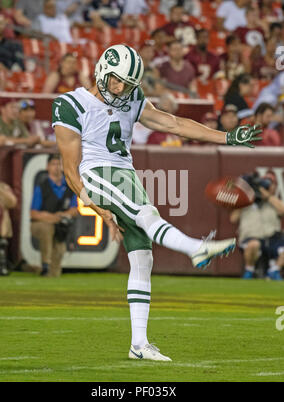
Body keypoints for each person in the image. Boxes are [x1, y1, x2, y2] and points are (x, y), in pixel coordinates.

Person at [52, 44, 261, 361]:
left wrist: (227, 137)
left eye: (127, 84)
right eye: (117, 81)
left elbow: (172, 123)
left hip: (126, 172)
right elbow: (69, 168)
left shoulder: (132, 98)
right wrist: (95, 205)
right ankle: (195, 248)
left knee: (142, 255)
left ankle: (139, 345)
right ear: (102, 71)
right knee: (146, 212)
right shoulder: (71, 103)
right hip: (95, 172)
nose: (121, 89)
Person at [30, 154, 78, 277]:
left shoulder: (69, 186)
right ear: (47, 166)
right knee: (47, 228)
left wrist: (61, 215)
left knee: (58, 256)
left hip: (60, 226)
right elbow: (33, 213)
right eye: (53, 164)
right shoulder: (42, 185)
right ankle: (45, 264)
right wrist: (54, 218)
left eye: (59, 164)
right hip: (41, 225)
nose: (56, 167)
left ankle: (47, 272)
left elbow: (75, 210)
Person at [230, 171, 284, 280]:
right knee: (254, 244)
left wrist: (267, 196)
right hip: (251, 238)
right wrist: (246, 198)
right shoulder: (246, 202)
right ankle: (249, 271)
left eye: (270, 183)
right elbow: (233, 219)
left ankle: (275, 270)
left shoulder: (274, 201)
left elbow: (282, 211)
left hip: (272, 239)